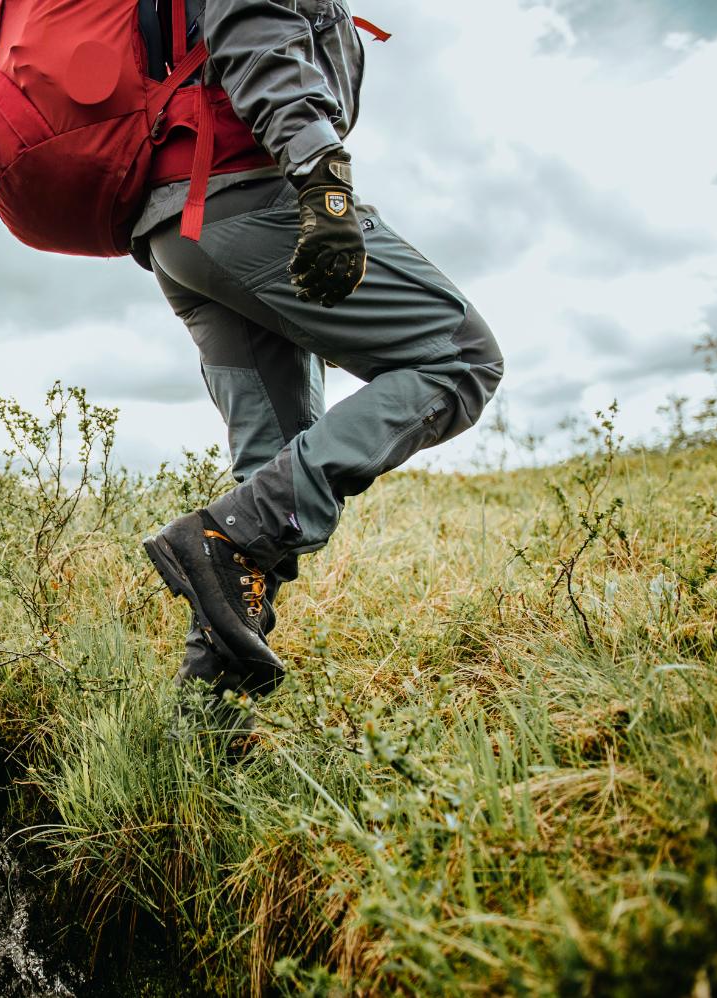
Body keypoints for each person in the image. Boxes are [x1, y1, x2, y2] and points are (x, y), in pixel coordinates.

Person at [133, 1, 505, 726]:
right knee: (459, 358)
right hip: (246, 194)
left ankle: (203, 736)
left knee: (270, 471)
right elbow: (255, 35)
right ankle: (227, 535)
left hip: (180, 228)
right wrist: (324, 183)